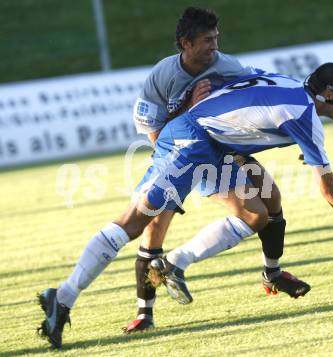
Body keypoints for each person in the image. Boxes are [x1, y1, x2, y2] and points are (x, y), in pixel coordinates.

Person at [36, 7, 303, 349]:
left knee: (259, 210)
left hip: (215, 155)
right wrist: (189, 108)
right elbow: (156, 136)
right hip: (176, 154)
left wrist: (287, 135)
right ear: (185, 44)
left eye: (216, 39)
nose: (214, 47)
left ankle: (196, 266)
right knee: (143, 227)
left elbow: (259, 97)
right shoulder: (162, 77)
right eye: (207, 41)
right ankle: (117, 306)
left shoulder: (228, 67)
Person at [138, 62, 333, 305]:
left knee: (271, 197)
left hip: (217, 141)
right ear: (330, 94)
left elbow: (239, 85)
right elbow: (329, 190)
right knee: (255, 215)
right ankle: (174, 262)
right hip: (198, 142)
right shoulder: (304, 115)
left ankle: (272, 273)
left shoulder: (288, 83)